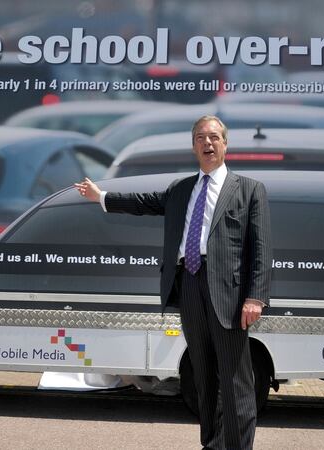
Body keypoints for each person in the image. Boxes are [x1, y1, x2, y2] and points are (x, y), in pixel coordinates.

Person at [74, 115, 272, 450]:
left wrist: (255, 297)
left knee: (236, 381)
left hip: (229, 296)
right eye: (200, 138)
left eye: (213, 137)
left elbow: (261, 247)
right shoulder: (181, 190)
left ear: (225, 144)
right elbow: (142, 203)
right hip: (190, 286)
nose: (207, 143)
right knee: (203, 379)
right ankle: (212, 444)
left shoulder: (249, 190)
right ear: (193, 146)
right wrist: (101, 196)